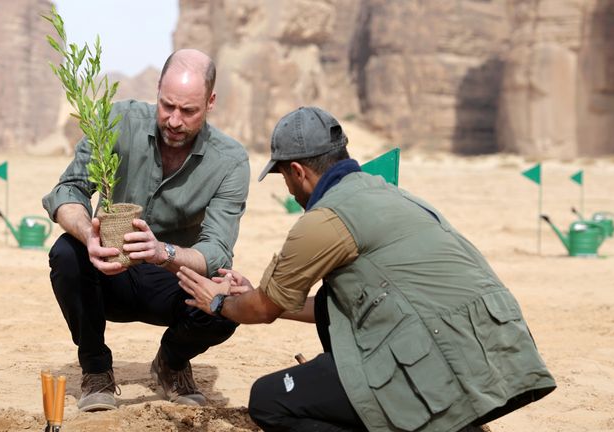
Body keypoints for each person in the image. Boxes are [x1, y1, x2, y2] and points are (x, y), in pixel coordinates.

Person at [176, 106, 556, 431]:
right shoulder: (390, 194)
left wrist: (220, 302)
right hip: (501, 359)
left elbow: (262, 311)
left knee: (269, 399)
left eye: (285, 178)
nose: (290, 190)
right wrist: (256, 295)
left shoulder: (324, 220)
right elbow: (330, 304)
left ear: (298, 171)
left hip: (445, 363)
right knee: (336, 307)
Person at [42, 48, 250, 412]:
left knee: (226, 297)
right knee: (66, 253)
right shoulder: (116, 121)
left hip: (172, 279)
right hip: (109, 273)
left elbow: (217, 249)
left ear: (211, 101)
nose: (174, 120)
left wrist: (161, 252)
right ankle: (95, 370)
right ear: (157, 90)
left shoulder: (230, 161)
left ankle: (171, 362)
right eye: (167, 105)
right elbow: (68, 190)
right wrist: (88, 234)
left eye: (189, 111)